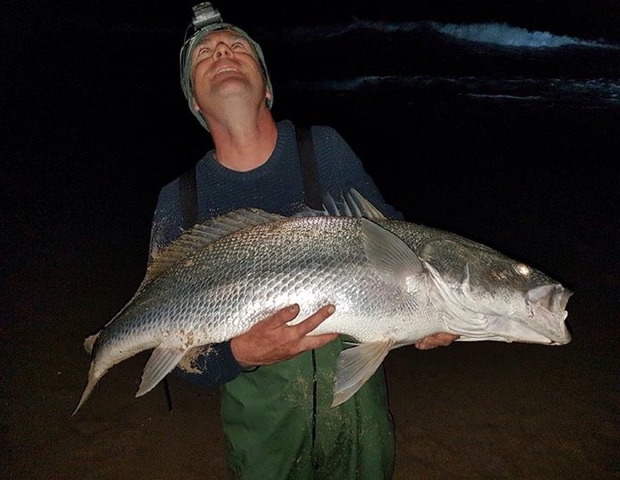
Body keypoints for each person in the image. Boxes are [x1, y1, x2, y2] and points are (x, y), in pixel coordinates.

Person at [147, 3, 458, 478]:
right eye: (204, 54)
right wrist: (238, 353)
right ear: (194, 102)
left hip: (358, 424)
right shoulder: (180, 199)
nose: (222, 53)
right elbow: (178, 353)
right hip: (263, 437)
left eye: (237, 47)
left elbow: (398, 246)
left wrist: (436, 310)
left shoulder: (324, 151)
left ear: (267, 87)